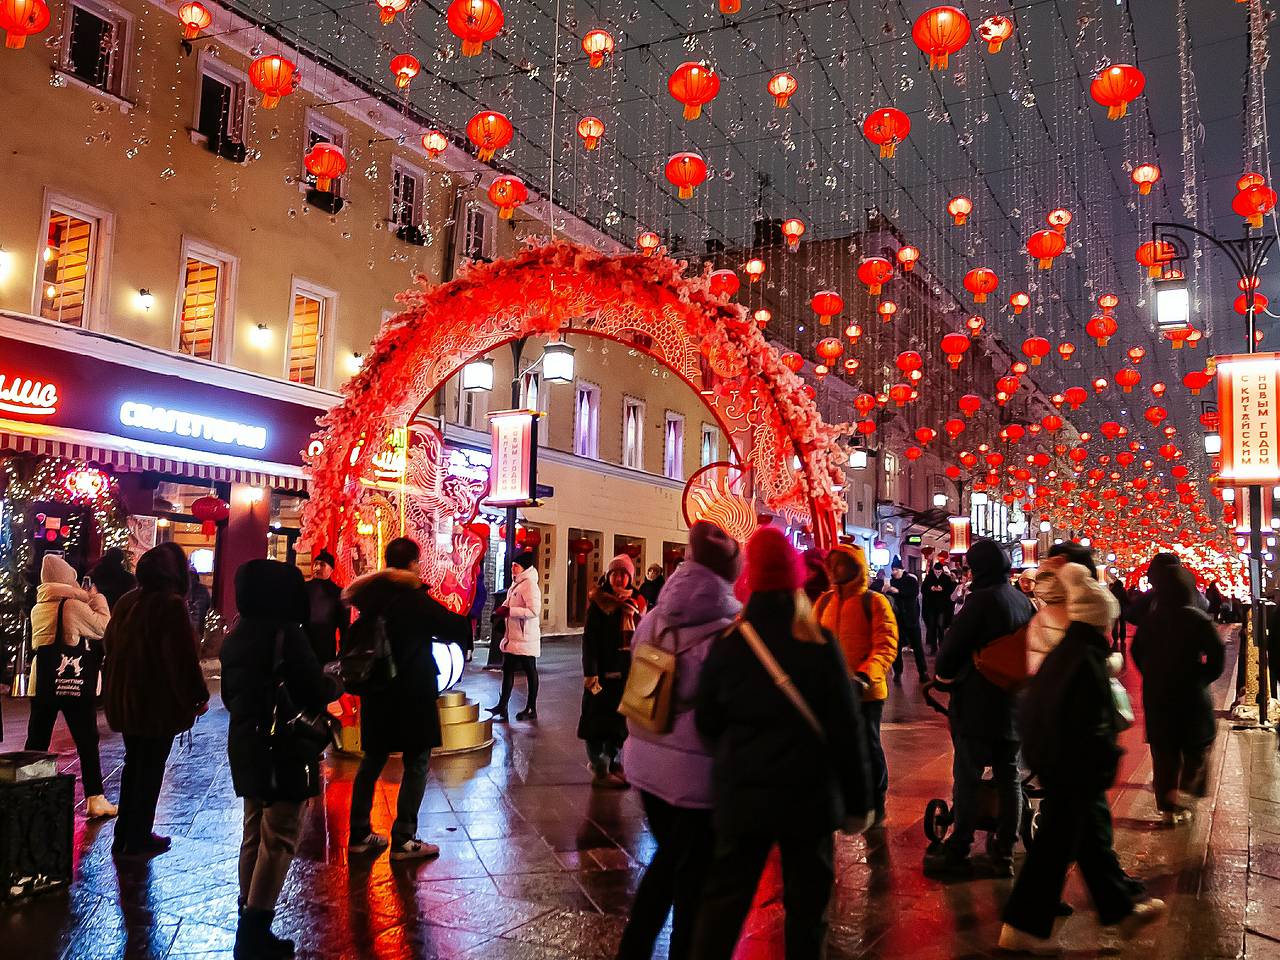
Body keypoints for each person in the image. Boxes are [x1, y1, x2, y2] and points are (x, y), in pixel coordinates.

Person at [692, 526, 872, 960]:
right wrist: (859, 801)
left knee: (725, 901)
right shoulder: (819, 643)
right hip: (807, 796)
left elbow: (706, 720)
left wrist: (737, 754)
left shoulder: (730, 643)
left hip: (743, 793)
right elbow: (847, 727)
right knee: (808, 908)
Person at [1001, 563, 1165, 952]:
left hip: (1062, 763)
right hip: (1072, 766)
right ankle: (1019, 930)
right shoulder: (1085, 660)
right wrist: (1103, 760)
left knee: (1087, 843)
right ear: (1099, 621)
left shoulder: (1074, 651)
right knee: (1054, 848)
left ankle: (1120, 911)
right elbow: (1087, 723)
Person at [616, 522, 742, 960]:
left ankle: (635, 947)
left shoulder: (656, 615)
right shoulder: (727, 626)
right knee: (689, 873)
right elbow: (720, 707)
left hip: (645, 756)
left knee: (670, 858)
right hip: (694, 773)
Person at [221, 559, 342, 959]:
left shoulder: (237, 634)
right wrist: (336, 680)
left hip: (246, 743)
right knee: (280, 835)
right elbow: (315, 686)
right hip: (283, 747)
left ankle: (247, 920)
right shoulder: (286, 635)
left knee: (254, 830)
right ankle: (256, 930)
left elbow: (231, 696)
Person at [344, 537, 469, 860]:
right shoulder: (414, 598)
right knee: (417, 761)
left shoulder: (370, 598)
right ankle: (404, 838)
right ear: (414, 563)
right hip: (412, 692)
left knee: (373, 760)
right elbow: (453, 626)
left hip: (377, 691)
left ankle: (359, 833)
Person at [928, 539, 1034, 877]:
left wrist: (942, 679)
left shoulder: (980, 601)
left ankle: (959, 846)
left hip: (977, 703)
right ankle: (1005, 850)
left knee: (968, 776)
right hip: (1013, 703)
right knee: (1010, 777)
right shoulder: (1023, 600)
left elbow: (952, 648)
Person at [103, 542, 210, 857]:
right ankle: (137, 837)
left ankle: (125, 835)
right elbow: (181, 659)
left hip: (127, 700)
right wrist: (198, 697)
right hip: (154, 703)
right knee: (150, 770)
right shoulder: (170, 605)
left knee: (133, 765)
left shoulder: (127, 601)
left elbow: (109, 643)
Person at [1131, 566, 1225, 825]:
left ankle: (1167, 808)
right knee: (1197, 743)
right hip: (1192, 695)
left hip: (1158, 694)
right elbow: (1217, 657)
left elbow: (1137, 653)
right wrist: (1201, 676)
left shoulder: (1150, 620)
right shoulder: (1198, 619)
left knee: (1164, 751)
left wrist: (1153, 674)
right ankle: (1186, 788)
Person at [25, 553, 115, 819]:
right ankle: (95, 799)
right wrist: (95, 597)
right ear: (67, 578)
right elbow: (103, 628)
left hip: (42, 681)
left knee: (37, 739)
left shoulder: (38, 607)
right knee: (87, 740)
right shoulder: (73, 606)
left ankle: (31, 793)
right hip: (72, 683)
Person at [815, 544, 898, 824]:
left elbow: (885, 645)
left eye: (842, 564)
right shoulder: (824, 602)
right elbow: (812, 641)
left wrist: (864, 676)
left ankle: (877, 797)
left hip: (865, 693)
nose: (835, 570)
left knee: (868, 745)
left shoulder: (873, 601)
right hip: (832, 693)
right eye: (833, 564)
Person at [580, 554, 646, 786]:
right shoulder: (600, 603)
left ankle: (614, 762)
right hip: (603, 672)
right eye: (615, 574)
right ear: (608, 576)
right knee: (597, 720)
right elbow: (590, 641)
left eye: (624, 574)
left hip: (627, 672)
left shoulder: (638, 604)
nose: (619, 578)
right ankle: (600, 767)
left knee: (621, 723)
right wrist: (591, 672)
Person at [491, 551, 541, 721]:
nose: (513, 568)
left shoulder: (529, 585)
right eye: (512, 565)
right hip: (513, 637)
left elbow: (534, 611)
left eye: (516, 565)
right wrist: (501, 610)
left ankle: (531, 708)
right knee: (507, 670)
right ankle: (502, 705)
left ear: (524, 568)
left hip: (525, 637)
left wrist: (510, 611)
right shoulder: (517, 583)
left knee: (530, 671)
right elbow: (510, 602)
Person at [302, 549, 346, 665]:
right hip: (304, 643)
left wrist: (342, 653)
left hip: (326, 646)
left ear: (331, 570)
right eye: (315, 564)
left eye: (322, 565)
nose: (317, 568)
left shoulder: (338, 592)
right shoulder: (304, 588)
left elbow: (344, 626)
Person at [885, 559, 925, 682]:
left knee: (917, 646)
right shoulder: (891, 582)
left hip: (911, 619)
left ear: (902, 569)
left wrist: (898, 591)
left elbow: (913, 593)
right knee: (896, 647)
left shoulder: (911, 580)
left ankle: (923, 671)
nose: (894, 572)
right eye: (893, 569)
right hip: (897, 620)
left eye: (896, 569)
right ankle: (897, 672)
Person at [921, 560, 956, 653]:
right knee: (932, 626)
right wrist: (930, 588)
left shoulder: (946, 578)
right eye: (936, 572)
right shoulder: (929, 578)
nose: (938, 573)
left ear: (942, 571)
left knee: (940, 626)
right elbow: (923, 589)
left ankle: (941, 645)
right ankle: (933, 647)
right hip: (931, 606)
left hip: (942, 607)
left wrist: (942, 589)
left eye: (939, 572)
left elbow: (950, 591)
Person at [186, 563, 212, 640]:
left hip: (189, 630)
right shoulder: (203, 590)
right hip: (199, 630)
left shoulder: (184, 590)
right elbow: (209, 606)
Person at [1108, 572, 1130, 652]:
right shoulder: (1123, 590)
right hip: (1122, 609)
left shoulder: (1112, 590)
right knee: (1122, 624)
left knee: (1115, 625)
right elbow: (1126, 600)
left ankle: (1115, 638)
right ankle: (1122, 638)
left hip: (1114, 609)